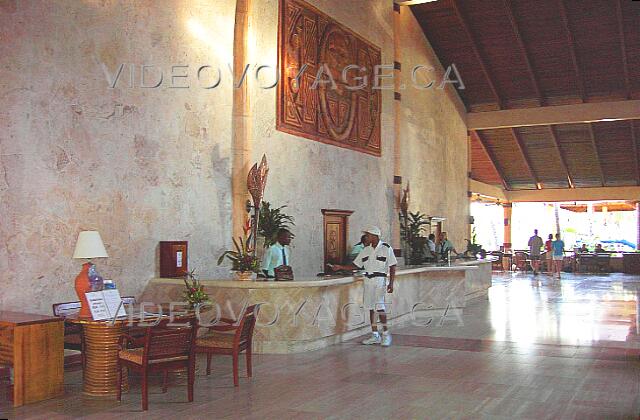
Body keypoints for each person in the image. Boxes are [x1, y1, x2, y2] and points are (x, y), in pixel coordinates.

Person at [328, 226, 397, 347]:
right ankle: (375, 334)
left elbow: (393, 266)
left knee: (379, 307)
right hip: (368, 281)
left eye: (368, 235)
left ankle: (386, 334)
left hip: (380, 281)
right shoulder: (366, 250)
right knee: (370, 308)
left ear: (375, 236)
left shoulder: (386, 248)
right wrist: (340, 267)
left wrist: (391, 283)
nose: (367, 237)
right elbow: (356, 265)